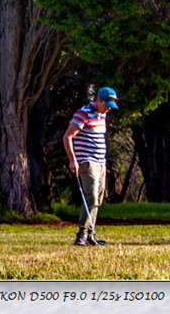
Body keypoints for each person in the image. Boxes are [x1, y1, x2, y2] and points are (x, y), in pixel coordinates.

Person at [62, 86, 119, 246]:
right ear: (98, 99)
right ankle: (82, 234)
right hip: (87, 161)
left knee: (98, 199)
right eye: (106, 105)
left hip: (101, 162)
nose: (108, 109)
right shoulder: (83, 113)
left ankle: (90, 235)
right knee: (91, 197)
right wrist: (73, 160)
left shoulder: (102, 116)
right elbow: (67, 137)